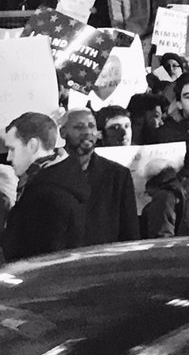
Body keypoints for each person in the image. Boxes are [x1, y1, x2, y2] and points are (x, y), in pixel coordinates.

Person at [0, 112, 87, 261]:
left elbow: (41, 261)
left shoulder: (47, 196)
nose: (8, 157)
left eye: (12, 149)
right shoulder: (57, 181)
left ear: (32, 145)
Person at [61, 109, 138, 245]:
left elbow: (130, 230)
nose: (87, 132)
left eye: (91, 126)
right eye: (79, 127)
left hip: (104, 259)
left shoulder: (118, 174)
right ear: (63, 132)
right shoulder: (48, 171)